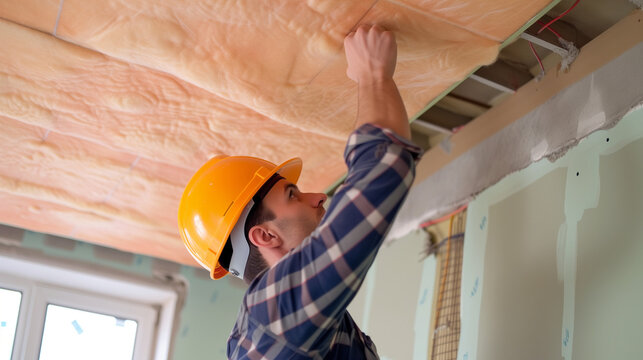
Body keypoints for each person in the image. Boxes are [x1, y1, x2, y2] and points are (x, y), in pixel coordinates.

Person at [178, 24, 422, 359]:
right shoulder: (278, 315)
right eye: (292, 195)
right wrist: (372, 73)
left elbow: (386, 166)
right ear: (264, 235)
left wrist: (375, 77)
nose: (318, 196)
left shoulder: (274, 319)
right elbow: (385, 168)